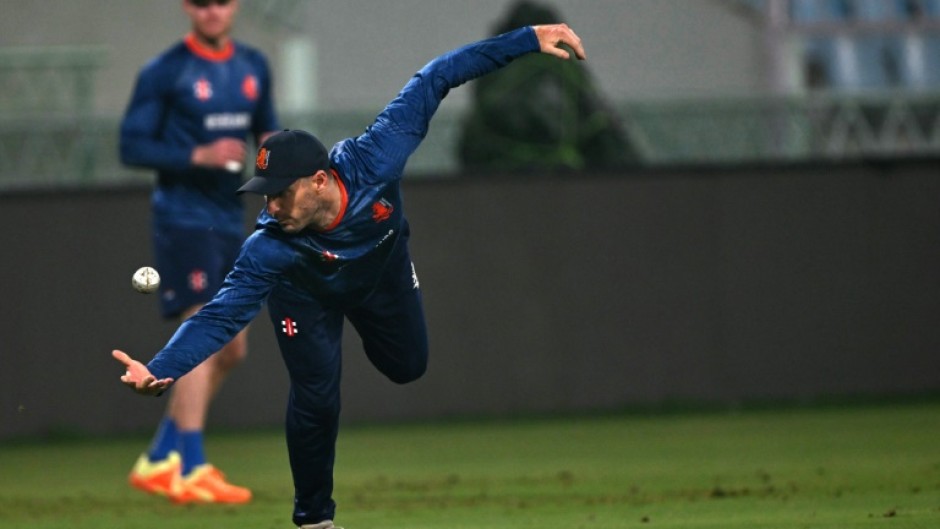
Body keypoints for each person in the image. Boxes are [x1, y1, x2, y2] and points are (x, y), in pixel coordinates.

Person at [113, 22, 586, 529]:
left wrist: (526, 39)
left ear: (320, 181)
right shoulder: (270, 246)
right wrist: (161, 368)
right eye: (265, 194)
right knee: (317, 399)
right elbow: (220, 316)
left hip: (380, 274)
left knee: (408, 365)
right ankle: (314, 519)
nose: (271, 206)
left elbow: (436, 77)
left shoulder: (376, 157)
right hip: (305, 296)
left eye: (281, 193)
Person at [118, 0, 280, 505]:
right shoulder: (166, 71)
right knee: (202, 327)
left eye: (222, 1)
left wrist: (278, 159)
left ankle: (160, 457)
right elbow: (131, 145)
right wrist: (197, 155)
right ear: (188, 8)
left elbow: (267, 130)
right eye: (201, 2)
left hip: (230, 217)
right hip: (182, 216)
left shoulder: (252, 65)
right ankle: (190, 466)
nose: (212, 11)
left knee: (231, 348)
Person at [457, 0, 637, 172]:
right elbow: (610, 143)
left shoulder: (500, 75)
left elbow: (470, 147)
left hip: (504, 187)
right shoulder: (563, 71)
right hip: (568, 185)